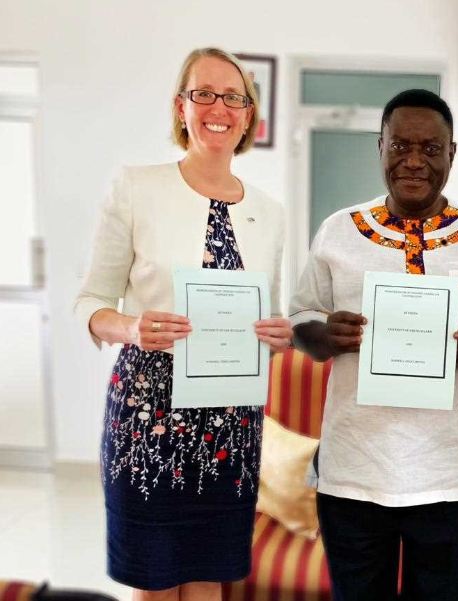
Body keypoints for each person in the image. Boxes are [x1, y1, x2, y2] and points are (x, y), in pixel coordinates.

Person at [289, 89, 458, 601]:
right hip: (354, 470)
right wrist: (324, 335)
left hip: (451, 475)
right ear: (380, 147)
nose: (415, 162)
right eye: (400, 146)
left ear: (451, 153)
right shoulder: (338, 231)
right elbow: (301, 319)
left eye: (431, 148)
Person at [74, 48, 291, 601]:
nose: (218, 107)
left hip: (230, 422)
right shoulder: (136, 187)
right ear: (181, 106)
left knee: (207, 580)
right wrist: (131, 328)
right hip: (150, 415)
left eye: (233, 97)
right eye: (203, 93)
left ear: (249, 115)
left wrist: (278, 335)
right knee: (154, 582)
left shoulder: (270, 213)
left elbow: (270, 315)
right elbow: (91, 302)